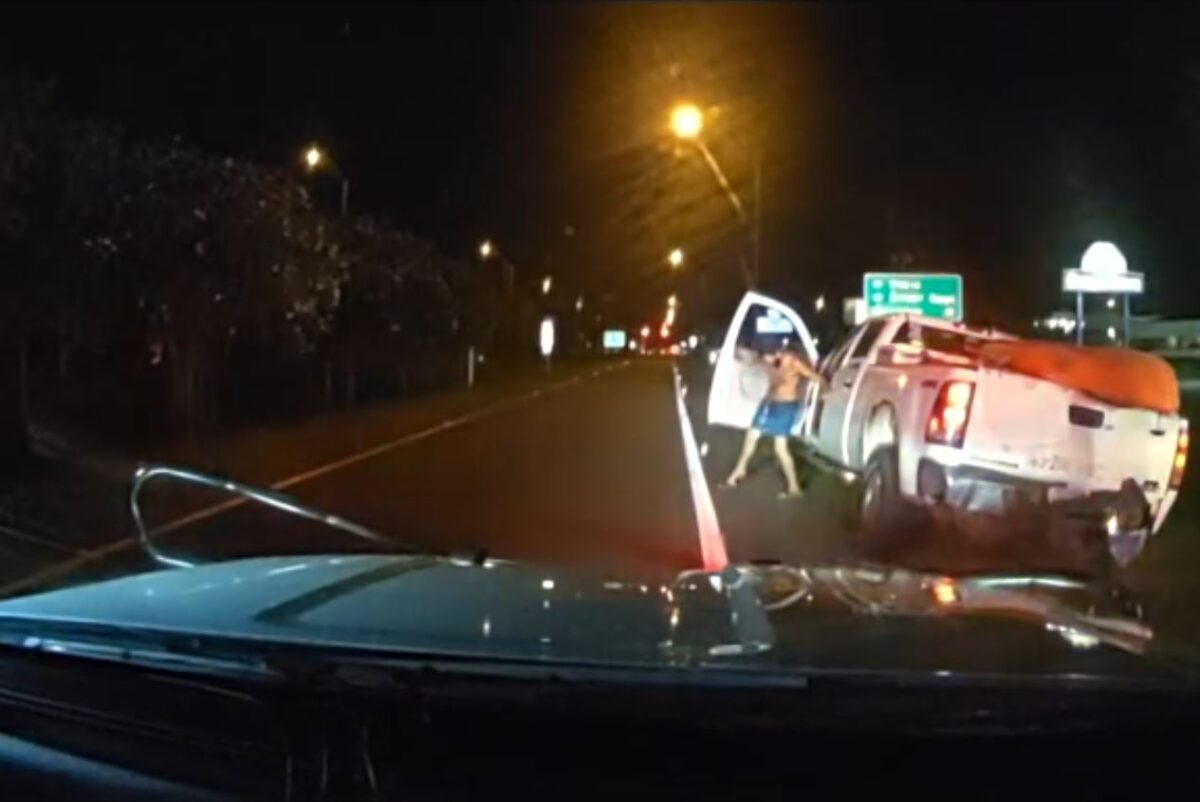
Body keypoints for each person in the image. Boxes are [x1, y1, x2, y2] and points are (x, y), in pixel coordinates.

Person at [723, 340, 824, 498]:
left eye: (776, 354)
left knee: (780, 448)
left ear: (785, 353)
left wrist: (825, 390)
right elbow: (756, 363)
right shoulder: (774, 363)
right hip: (769, 404)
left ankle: (794, 487)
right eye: (771, 355)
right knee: (751, 436)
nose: (773, 357)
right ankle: (739, 470)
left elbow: (815, 377)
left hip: (785, 407)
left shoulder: (794, 362)